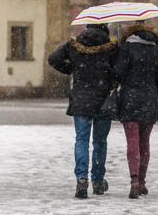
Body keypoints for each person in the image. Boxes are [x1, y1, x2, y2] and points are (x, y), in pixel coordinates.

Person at [48, 24, 117, 199]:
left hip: (81, 99)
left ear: (87, 27)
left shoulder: (74, 46)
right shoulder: (111, 48)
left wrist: (72, 68)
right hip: (103, 101)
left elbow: (53, 59)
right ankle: (98, 180)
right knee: (100, 142)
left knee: (81, 140)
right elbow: (119, 71)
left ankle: (81, 179)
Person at [114, 21, 158, 199]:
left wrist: (117, 55)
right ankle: (142, 182)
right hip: (150, 100)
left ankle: (134, 180)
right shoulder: (157, 50)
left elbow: (118, 74)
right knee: (145, 143)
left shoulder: (127, 47)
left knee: (132, 142)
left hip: (129, 99)